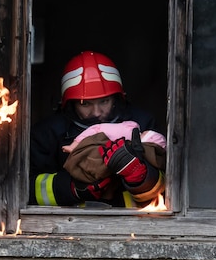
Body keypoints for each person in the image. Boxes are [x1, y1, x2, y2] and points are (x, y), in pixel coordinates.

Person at [30, 50, 167, 207]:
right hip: (65, 227)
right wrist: (72, 188)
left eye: (104, 101)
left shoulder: (141, 124)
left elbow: (168, 188)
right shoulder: (47, 134)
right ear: (68, 104)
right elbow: (24, 190)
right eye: (85, 104)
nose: (96, 112)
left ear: (117, 98)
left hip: (131, 226)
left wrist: (140, 177)